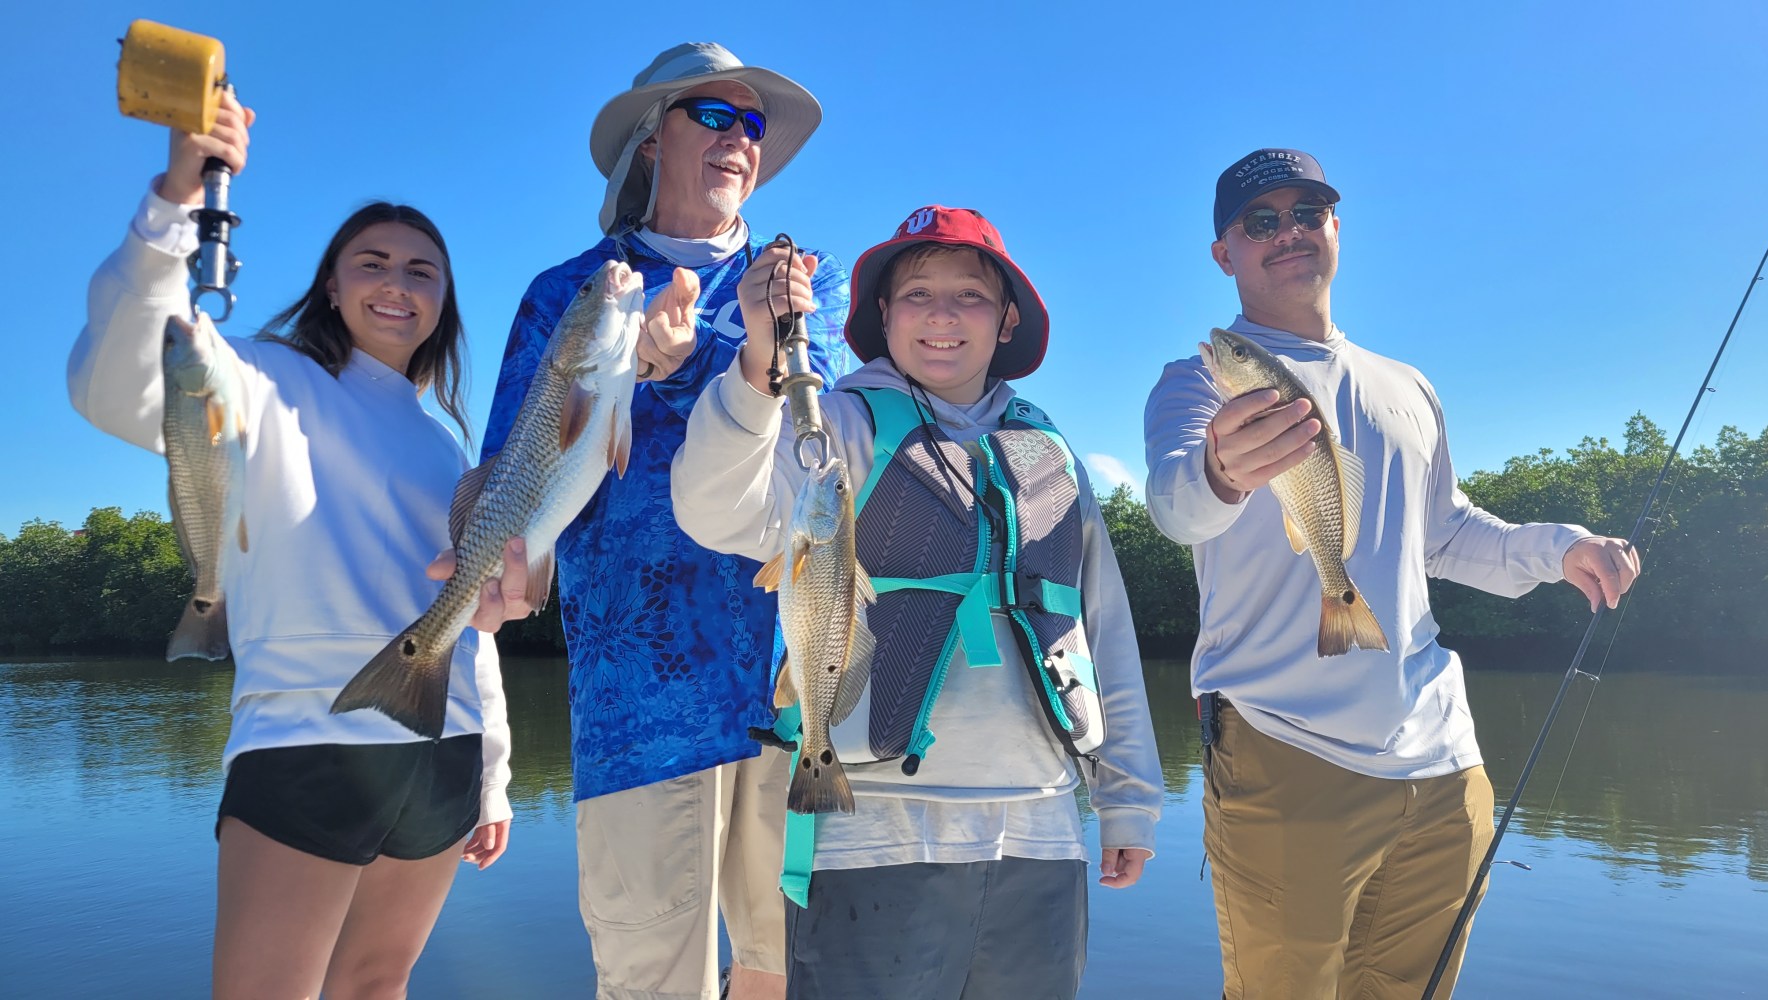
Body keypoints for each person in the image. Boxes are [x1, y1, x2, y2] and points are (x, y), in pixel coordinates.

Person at [1142, 148, 1643, 999]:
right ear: (1223, 253)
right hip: (1281, 745)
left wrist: (1560, 548)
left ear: (1336, 227)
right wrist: (1221, 470)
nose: (1288, 232)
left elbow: (1443, 534)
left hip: (1444, 760)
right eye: (1260, 221)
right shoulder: (1196, 382)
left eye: (1307, 213)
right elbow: (1176, 507)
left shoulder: (1406, 383)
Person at [67, 91, 526, 999]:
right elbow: (112, 385)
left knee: (377, 985)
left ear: (443, 303)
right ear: (331, 285)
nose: (396, 283)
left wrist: (495, 771)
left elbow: (468, 624)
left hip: (445, 749)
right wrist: (175, 201)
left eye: (422, 271)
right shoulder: (259, 376)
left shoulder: (445, 445)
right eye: (372, 262)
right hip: (309, 734)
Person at [672, 205, 1163, 999]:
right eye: (917, 295)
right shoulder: (836, 425)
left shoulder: (1049, 454)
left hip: (1041, 830)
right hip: (871, 829)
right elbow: (712, 510)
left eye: (969, 295)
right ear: (883, 315)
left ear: (1006, 320)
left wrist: (1128, 798)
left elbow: (1102, 631)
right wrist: (757, 369)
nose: (941, 315)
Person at [481, 42, 848, 1000]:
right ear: (650, 140)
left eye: (752, 125)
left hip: (790, 676)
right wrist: (640, 378)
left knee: (786, 967)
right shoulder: (570, 294)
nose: (739, 139)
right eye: (712, 116)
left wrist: (724, 361)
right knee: (651, 977)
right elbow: (518, 475)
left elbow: (826, 462)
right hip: (639, 697)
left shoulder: (808, 286)